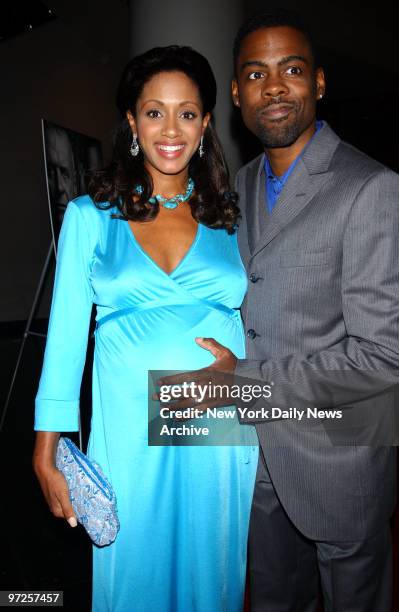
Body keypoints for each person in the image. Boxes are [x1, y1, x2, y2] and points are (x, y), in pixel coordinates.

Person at [161, 10, 399, 611]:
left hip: (339, 456)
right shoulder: (230, 190)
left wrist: (240, 380)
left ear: (318, 83)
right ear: (236, 93)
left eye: (291, 70)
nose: (274, 87)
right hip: (252, 460)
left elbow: (383, 360)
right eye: (256, 73)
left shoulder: (372, 188)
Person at [33, 46, 258, 612]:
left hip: (214, 419)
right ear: (132, 122)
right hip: (129, 427)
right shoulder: (89, 216)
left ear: (206, 124)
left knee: (212, 577)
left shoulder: (229, 217)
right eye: (154, 111)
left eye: (187, 112)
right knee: (134, 574)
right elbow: (63, 342)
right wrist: (46, 449)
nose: (171, 128)